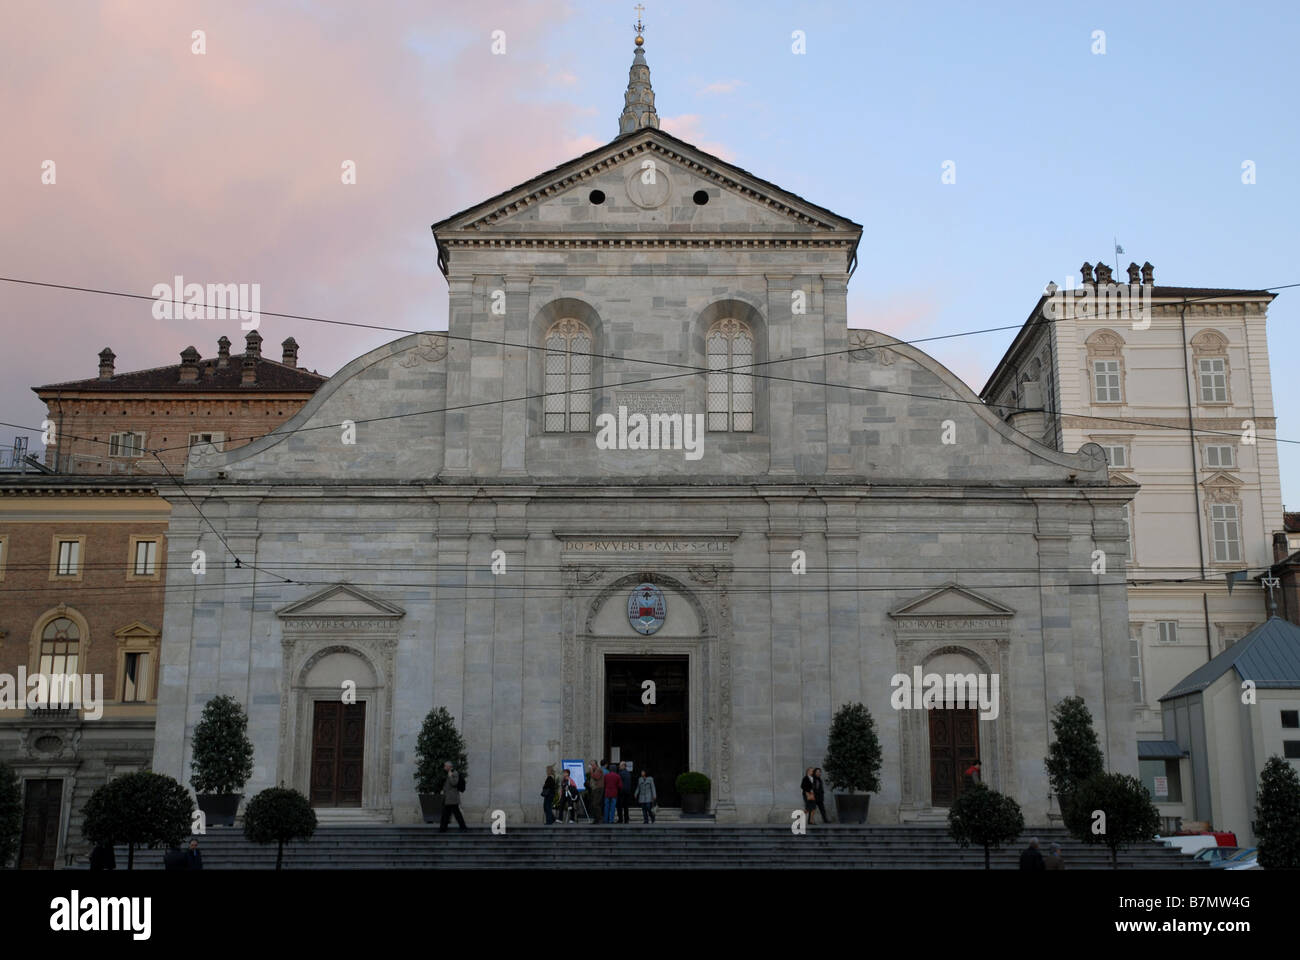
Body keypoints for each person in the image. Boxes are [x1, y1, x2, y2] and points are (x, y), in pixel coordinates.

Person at [439, 760, 467, 832]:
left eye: (445, 766)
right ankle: (443, 828)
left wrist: (450, 776)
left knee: (452, 813)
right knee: (448, 813)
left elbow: (454, 783)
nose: (444, 767)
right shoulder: (449, 773)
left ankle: (443, 828)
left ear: (449, 766)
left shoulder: (454, 773)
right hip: (449, 797)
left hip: (452, 797)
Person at [588, 761, 605, 827]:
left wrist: (591, 770)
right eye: (591, 765)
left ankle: (599, 818)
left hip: (598, 788)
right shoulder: (596, 770)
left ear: (596, 765)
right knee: (594, 804)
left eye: (592, 765)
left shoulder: (598, 770)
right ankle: (596, 819)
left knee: (596, 804)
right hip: (595, 789)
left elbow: (596, 777)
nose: (591, 766)